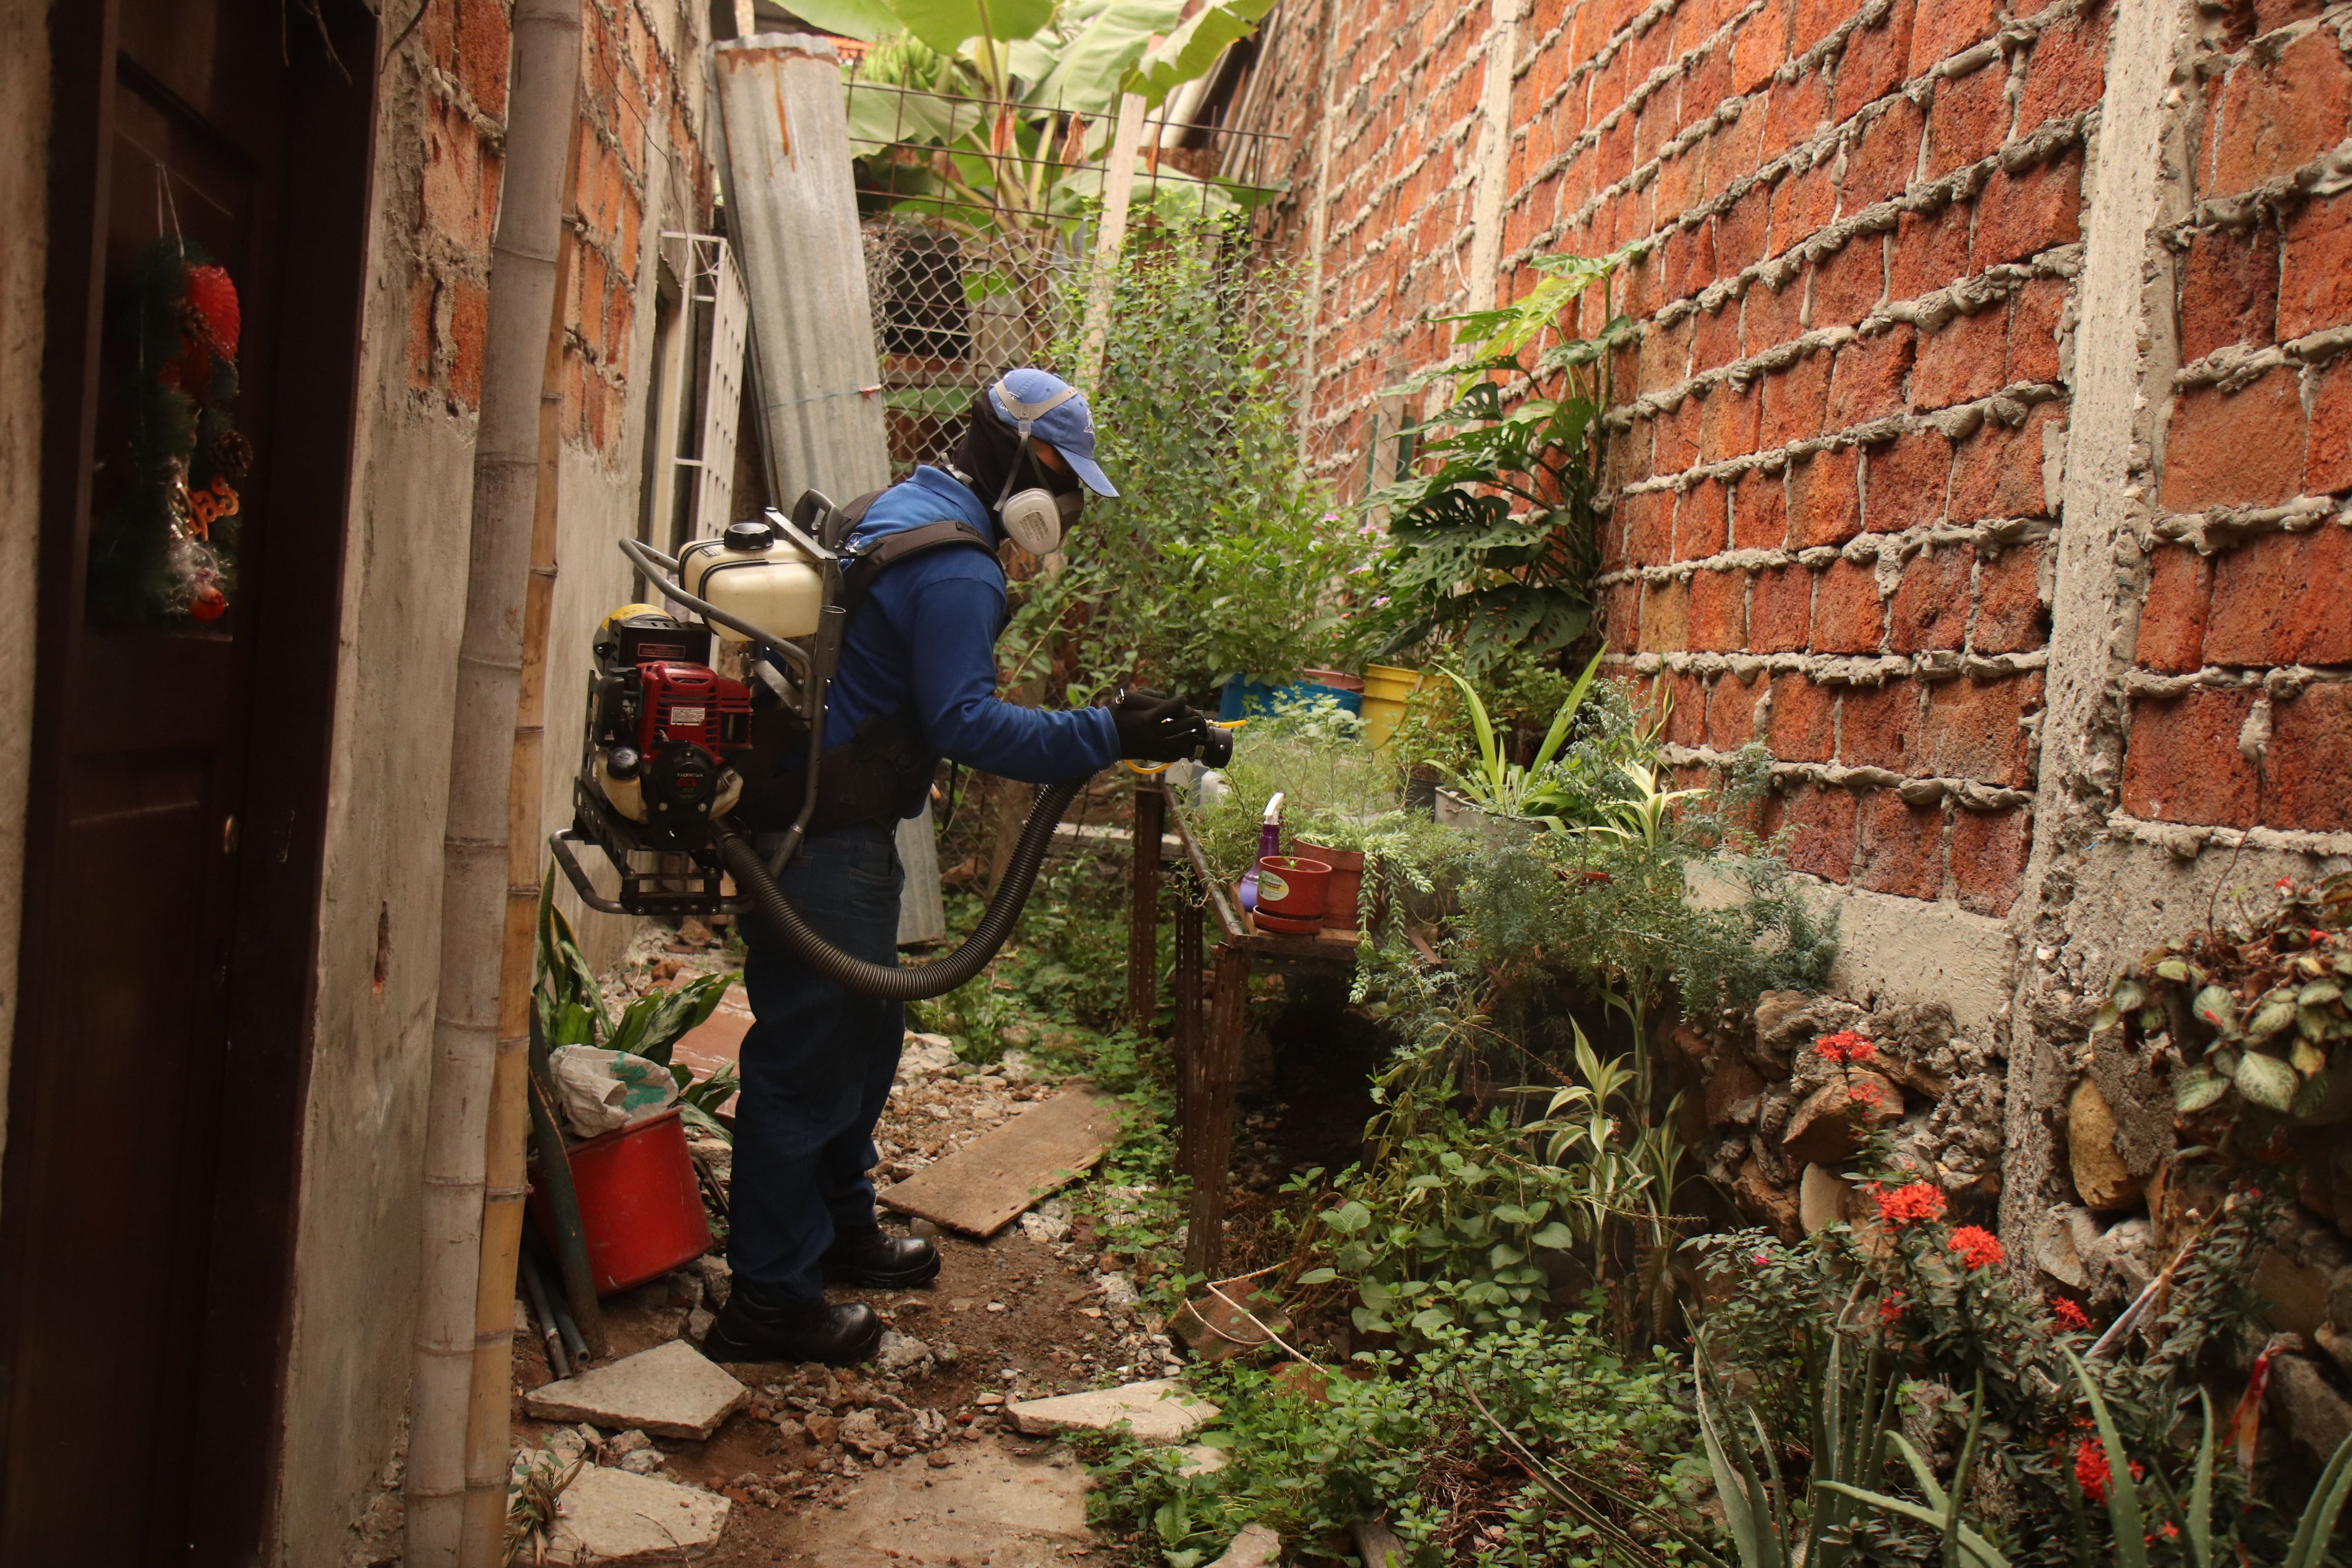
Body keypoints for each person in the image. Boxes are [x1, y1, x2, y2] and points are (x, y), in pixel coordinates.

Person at [701, 368, 1214, 1365]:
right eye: (1061, 475)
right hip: (826, 838)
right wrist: (1106, 730)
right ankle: (767, 1299)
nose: (1066, 504)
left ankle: (839, 1226)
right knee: (809, 1059)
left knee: (866, 1031)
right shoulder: (959, 566)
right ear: (1014, 456)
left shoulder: (909, 503)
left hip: (826, 819)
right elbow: (966, 722)